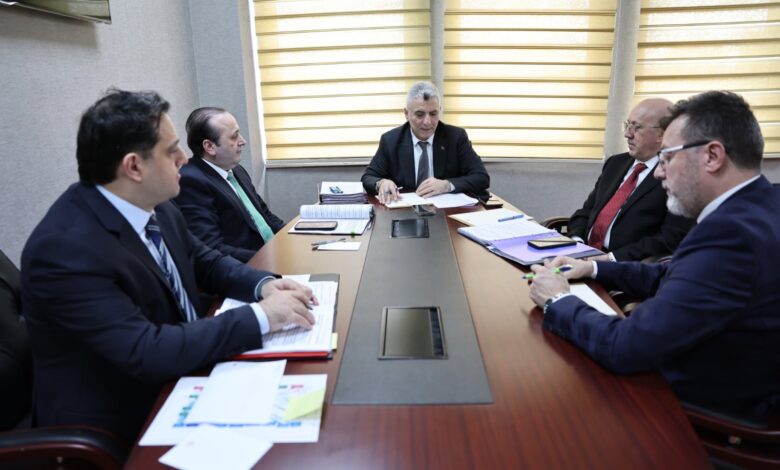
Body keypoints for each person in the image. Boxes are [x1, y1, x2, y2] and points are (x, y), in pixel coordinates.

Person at [21, 90, 317, 441]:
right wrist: (262, 316)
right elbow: (146, 351)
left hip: (184, 371)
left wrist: (263, 285)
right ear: (134, 167)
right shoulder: (64, 250)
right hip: (124, 419)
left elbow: (206, 261)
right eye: (171, 150)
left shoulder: (154, 203)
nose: (183, 159)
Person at [528, 91, 780, 418]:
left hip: (701, 413)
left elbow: (625, 347)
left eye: (668, 158)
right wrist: (592, 268)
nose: (659, 172)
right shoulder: (760, 205)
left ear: (712, 156)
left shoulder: (730, 236)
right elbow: (674, 273)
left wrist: (557, 300)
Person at [568, 98, 694, 261]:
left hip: (624, 265)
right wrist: (577, 243)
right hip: (582, 255)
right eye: (627, 125)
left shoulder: (676, 175)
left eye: (637, 127)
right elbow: (586, 212)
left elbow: (668, 240)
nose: (627, 134)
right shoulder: (615, 163)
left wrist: (608, 259)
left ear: (662, 134)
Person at [174, 107, 284, 263]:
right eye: (234, 136)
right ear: (209, 146)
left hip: (275, 255)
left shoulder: (236, 170)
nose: (243, 141)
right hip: (249, 266)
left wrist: (293, 238)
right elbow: (212, 247)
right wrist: (269, 258)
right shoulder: (190, 181)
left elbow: (265, 216)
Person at [361, 81, 490, 204]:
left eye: (433, 114)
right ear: (406, 113)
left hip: (446, 212)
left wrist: (447, 185)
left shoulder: (456, 137)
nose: (427, 122)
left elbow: (481, 177)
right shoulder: (391, 140)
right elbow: (368, 177)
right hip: (406, 211)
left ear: (439, 110)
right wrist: (381, 183)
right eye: (420, 114)